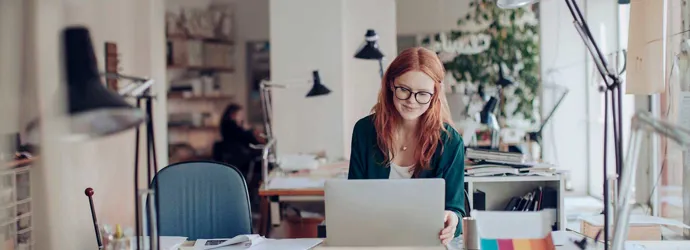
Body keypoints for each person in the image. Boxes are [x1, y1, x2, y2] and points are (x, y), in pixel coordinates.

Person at [348, 47, 465, 245]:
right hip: (372, 241)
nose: (412, 101)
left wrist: (452, 219)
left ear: (434, 95)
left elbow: (456, 211)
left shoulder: (450, 141)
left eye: (422, 94)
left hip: (425, 242)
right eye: (404, 90)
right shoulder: (364, 131)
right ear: (391, 85)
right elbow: (352, 200)